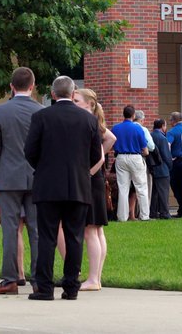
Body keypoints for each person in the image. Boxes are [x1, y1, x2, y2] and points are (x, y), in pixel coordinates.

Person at [24, 76, 101, 301]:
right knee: (75, 237)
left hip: (48, 185)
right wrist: (80, 168)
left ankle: (45, 288)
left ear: (53, 93)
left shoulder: (41, 117)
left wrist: (45, 167)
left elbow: (30, 151)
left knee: (47, 237)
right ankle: (71, 287)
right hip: (78, 185)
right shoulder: (88, 120)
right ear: (73, 91)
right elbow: (96, 154)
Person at [0, 67, 43, 296]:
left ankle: (10, 279)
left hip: (8, 177)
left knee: (10, 229)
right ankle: (40, 279)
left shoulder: (0, 112)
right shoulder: (41, 111)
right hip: (36, 176)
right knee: (37, 230)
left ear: (11, 86)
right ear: (32, 86)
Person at [73, 88, 117, 290]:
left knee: (91, 229)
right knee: (97, 230)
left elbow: (101, 153)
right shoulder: (95, 124)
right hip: (96, 180)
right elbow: (110, 139)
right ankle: (96, 277)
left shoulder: (88, 124)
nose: (73, 103)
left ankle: (93, 278)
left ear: (89, 104)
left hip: (91, 181)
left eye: (77, 100)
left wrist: (88, 172)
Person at [110, 105, 150, 221]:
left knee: (123, 187)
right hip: (135, 157)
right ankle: (144, 215)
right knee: (141, 187)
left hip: (121, 157)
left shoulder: (116, 128)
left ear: (123, 114)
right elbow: (145, 150)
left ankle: (122, 217)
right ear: (133, 115)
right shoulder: (138, 128)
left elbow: (112, 144)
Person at [149, 118, 172, 219]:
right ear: (162, 126)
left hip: (151, 168)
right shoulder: (162, 138)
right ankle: (164, 213)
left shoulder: (150, 136)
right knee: (163, 192)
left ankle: (153, 212)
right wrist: (170, 166)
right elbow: (166, 156)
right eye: (165, 125)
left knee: (153, 192)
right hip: (162, 169)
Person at [166, 111, 182, 216]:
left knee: (176, 185)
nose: (169, 122)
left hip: (177, 161)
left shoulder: (172, 132)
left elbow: (168, 145)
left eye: (170, 120)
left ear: (174, 120)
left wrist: (169, 158)